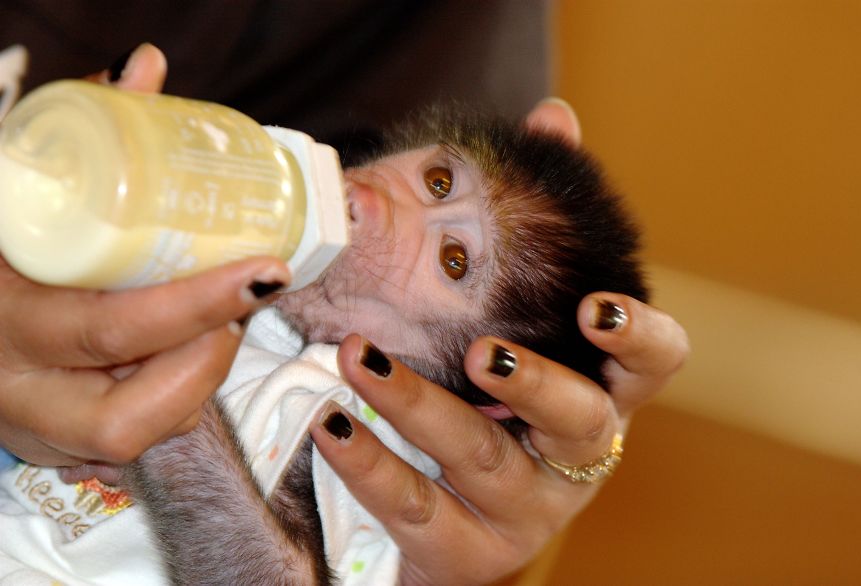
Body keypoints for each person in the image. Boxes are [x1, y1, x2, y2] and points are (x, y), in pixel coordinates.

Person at [0, 8, 689, 586]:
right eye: (440, 181)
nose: (377, 201)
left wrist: (177, 425)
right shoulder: (254, 249)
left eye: (454, 259)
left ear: (485, 384)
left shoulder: (360, 430)